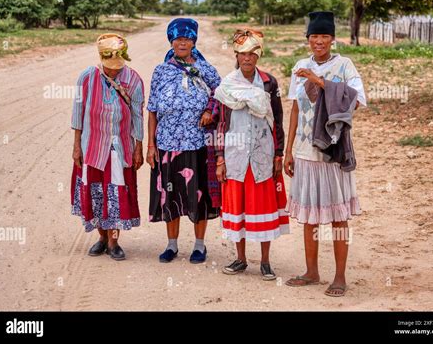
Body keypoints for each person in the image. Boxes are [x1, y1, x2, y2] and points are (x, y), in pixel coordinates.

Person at [284, 12, 366, 296]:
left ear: (332, 39)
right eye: (314, 37)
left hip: (333, 151)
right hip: (306, 151)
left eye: (324, 36)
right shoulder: (300, 65)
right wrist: (289, 151)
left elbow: (356, 100)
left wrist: (320, 83)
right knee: (309, 216)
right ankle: (311, 271)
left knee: (337, 217)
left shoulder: (345, 66)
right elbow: (294, 109)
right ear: (308, 39)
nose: (319, 42)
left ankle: (340, 276)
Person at [215, 29, 289, 281]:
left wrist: (278, 153)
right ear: (236, 55)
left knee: (262, 207)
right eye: (242, 54)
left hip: (262, 155)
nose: (247, 59)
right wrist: (220, 158)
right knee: (240, 208)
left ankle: (266, 262)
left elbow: (277, 119)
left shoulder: (269, 83)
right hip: (235, 155)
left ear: (258, 56)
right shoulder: (227, 84)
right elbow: (222, 123)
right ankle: (241, 259)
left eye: (251, 54)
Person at [147, 18, 221, 264]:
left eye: (187, 38)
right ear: (171, 41)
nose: (182, 42)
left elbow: (222, 94)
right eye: (178, 38)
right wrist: (150, 145)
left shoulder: (205, 68)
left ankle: (199, 246)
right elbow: (152, 110)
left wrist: (210, 109)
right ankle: (172, 245)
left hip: (197, 143)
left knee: (197, 195)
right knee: (170, 195)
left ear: (194, 41)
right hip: (167, 144)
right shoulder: (161, 71)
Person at [71, 33, 144, 261]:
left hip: (119, 147)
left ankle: (114, 242)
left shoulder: (133, 80)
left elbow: (138, 117)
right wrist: (76, 147)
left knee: (115, 194)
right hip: (92, 146)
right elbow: (77, 113)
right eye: (109, 66)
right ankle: (101, 238)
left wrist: (138, 147)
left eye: (117, 66)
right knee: (96, 194)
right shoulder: (87, 77)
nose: (114, 70)